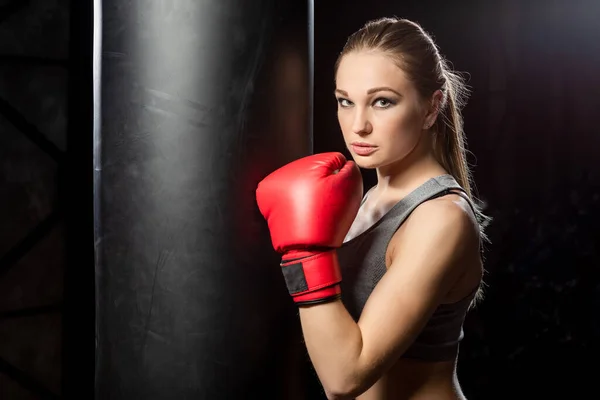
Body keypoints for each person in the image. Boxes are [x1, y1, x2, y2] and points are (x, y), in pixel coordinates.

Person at [256, 16, 490, 400]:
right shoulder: (365, 197)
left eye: (382, 102)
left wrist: (305, 252)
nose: (358, 125)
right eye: (345, 101)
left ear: (432, 108)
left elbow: (345, 377)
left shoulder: (441, 218)